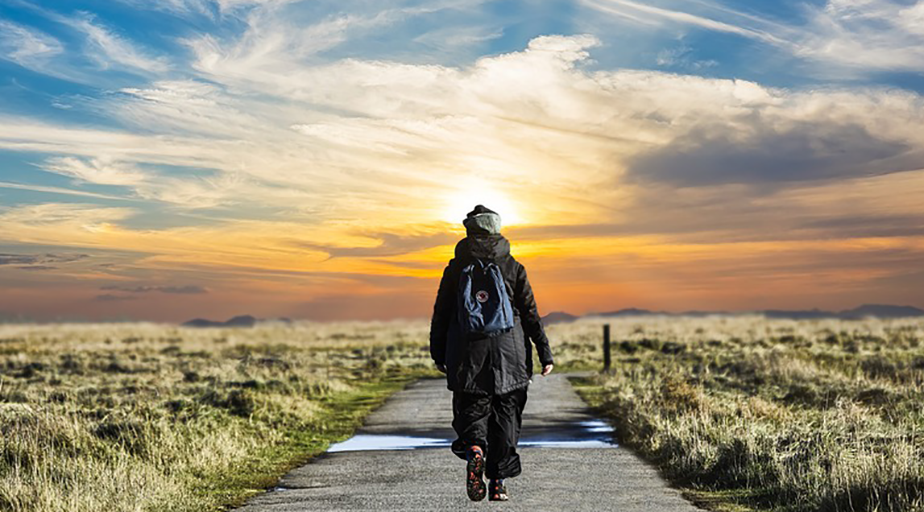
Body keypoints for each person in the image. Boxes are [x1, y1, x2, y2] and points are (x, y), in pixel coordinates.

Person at [429, 204, 555, 502]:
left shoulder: (455, 268)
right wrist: (544, 352)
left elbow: (442, 313)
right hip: (511, 355)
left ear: (469, 232)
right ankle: (498, 483)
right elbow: (530, 313)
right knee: (506, 416)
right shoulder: (513, 267)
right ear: (497, 230)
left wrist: (438, 353)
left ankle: (475, 449)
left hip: (467, 353)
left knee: (472, 410)